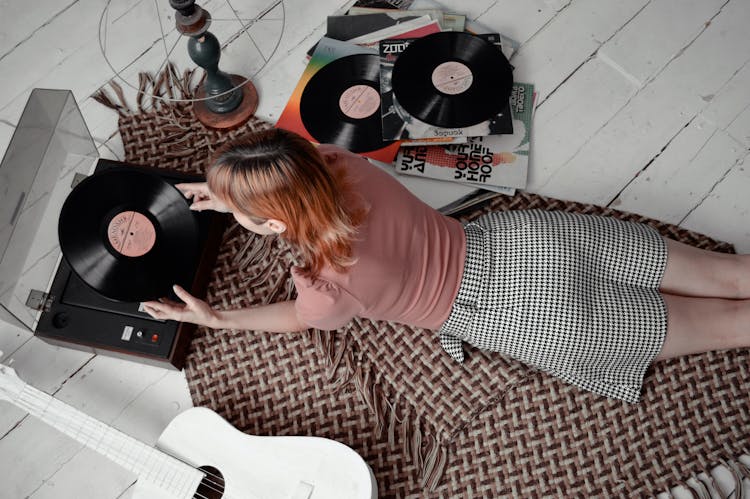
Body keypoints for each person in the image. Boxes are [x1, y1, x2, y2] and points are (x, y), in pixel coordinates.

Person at [143, 128, 750, 403]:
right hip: (537, 243)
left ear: (274, 223)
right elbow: (293, 175)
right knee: (730, 276)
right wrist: (236, 191)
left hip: (532, 318)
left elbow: (297, 319)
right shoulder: (336, 161)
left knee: (732, 326)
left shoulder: (328, 291)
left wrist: (220, 319)